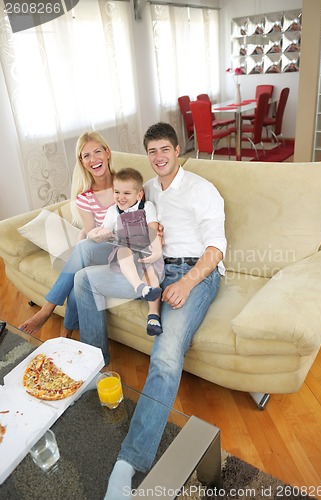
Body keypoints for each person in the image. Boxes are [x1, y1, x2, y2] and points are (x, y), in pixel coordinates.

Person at [72, 122, 227, 499]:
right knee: (84, 281)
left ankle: (129, 461)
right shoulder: (146, 190)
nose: (159, 157)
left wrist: (187, 282)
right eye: (152, 151)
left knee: (166, 354)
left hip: (194, 273)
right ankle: (98, 369)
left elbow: (216, 249)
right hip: (151, 267)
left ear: (177, 150)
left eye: (165, 149)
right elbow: (120, 222)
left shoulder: (202, 191)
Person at [19, 130, 116, 338]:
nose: (93, 159)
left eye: (97, 152)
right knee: (80, 278)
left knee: (81, 251)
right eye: (86, 156)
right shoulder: (85, 197)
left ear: (107, 153)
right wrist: (87, 235)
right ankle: (64, 338)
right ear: (81, 162)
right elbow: (92, 233)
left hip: (124, 251)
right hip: (100, 250)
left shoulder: (125, 182)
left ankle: (49, 313)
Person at [88, 168, 164, 336]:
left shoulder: (147, 207)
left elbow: (153, 227)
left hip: (145, 250)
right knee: (123, 251)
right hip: (125, 253)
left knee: (150, 272)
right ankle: (139, 287)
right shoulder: (112, 211)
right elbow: (105, 229)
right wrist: (99, 233)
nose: (120, 197)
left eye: (126, 193)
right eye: (117, 192)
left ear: (139, 195)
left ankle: (153, 316)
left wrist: (156, 249)